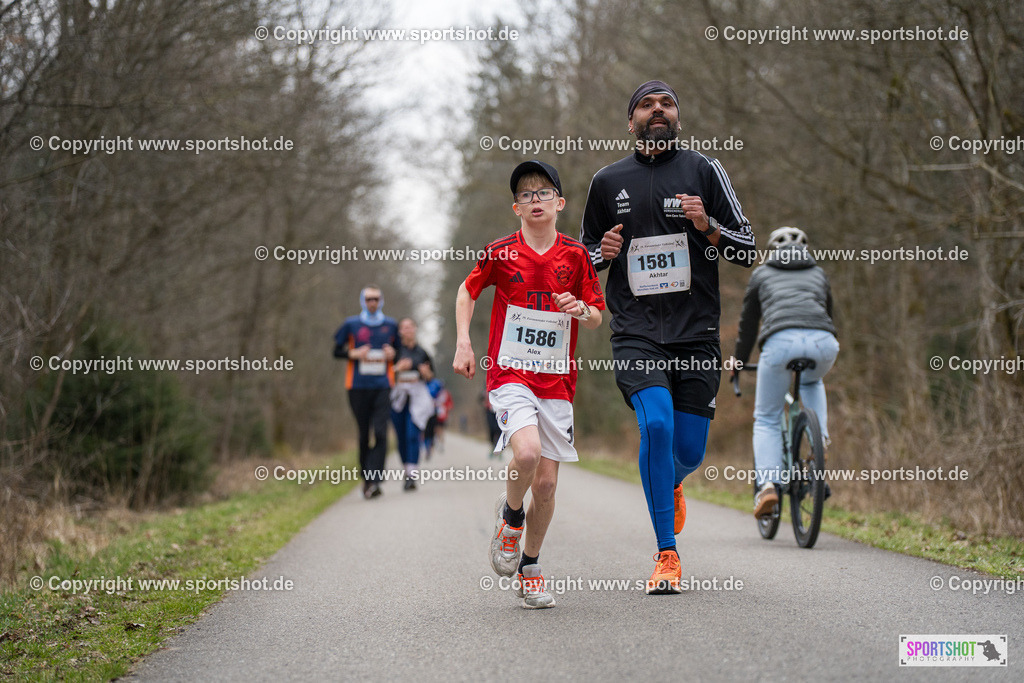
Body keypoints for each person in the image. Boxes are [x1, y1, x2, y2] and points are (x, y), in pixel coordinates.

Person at [580, 80, 756, 594]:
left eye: (667, 103)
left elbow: (747, 249)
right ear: (630, 120)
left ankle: (673, 481)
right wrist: (602, 253)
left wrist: (707, 227)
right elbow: (581, 260)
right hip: (635, 331)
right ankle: (666, 554)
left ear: (678, 116)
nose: (658, 111)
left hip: (697, 334)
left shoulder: (704, 170)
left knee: (689, 451)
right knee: (654, 425)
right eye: (646, 105)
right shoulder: (606, 181)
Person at [454, 160, 605, 609]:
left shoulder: (576, 256)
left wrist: (579, 309)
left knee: (546, 486)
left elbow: (598, 316)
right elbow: (467, 291)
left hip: (557, 380)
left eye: (543, 193)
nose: (534, 200)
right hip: (510, 373)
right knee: (526, 452)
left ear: (559, 203)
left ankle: (530, 568)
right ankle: (511, 518)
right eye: (525, 194)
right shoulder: (501, 252)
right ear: (515, 207)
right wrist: (464, 342)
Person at [733, 226, 839, 518]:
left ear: (772, 250)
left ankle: (767, 485)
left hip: (779, 342)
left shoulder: (761, 274)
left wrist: (739, 361)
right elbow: (828, 315)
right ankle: (821, 442)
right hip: (823, 342)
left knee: (767, 417)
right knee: (812, 380)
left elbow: (748, 326)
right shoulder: (818, 273)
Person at [333, 285, 398, 499]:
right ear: (363, 301)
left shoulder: (390, 325)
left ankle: (376, 479)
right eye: (369, 299)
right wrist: (354, 353)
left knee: (380, 432)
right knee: (363, 434)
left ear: (382, 300)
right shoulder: (351, 324)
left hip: (383, 385)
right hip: (357, 386)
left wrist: (393, 354)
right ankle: (367, 479)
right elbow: (336, 351)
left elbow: (400, 353)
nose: (373, 303)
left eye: (376, 299)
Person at [390, 317, 434, 490]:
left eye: (410, 327)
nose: (407, 330)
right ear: (400, 331)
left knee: (412, 435)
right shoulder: (394, 352)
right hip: (398, 400)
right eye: (403, 327)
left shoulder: (422, 353)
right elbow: (386, 375)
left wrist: (426, 373)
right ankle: (406, 469)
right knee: (401, 437)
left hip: (417, 400)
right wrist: (396, 369)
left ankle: (411, 476)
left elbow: (431, 378)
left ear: (415, 329)